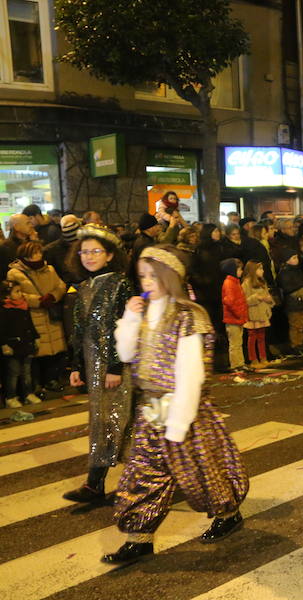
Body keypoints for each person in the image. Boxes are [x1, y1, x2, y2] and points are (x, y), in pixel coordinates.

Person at [104, 245, 248, 564]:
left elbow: (190, 375)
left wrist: (178, 425)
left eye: (153, 276)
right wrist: (129, 317)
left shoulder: (188, 316)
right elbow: (127, 354)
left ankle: (228, 513)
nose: (146, 282)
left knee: (203, 472)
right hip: (150, 410)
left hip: (184, 412)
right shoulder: (142, 311)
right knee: (142, 475)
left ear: (170, 277)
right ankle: (139, 538)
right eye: (142, 276)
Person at [64, 225, 133, 503]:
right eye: (84, 251)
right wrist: (75, 366)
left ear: (109, 255)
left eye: (96, 251)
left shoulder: (120, 284)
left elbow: (126, 327)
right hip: (92, 366)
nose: (89, 256)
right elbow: (78, 331)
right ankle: (95, 484)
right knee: (102, 422)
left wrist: (115, 367)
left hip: (115, 367)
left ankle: (100, 483)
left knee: (118, 421)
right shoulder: (82, 287)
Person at [7, 241, 67, 393]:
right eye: (35, 253)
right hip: (32, 316)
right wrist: (38, 301)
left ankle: (51, 379)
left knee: (54, 351)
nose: (38, 255)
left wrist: (53, 296)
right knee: (36, 353)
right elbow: (16, 294)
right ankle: (35, 385)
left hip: (50, 314)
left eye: (39, 252)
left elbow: (60, 286)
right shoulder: (14, 273)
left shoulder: (49, 269)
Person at [0, 280, 39, 408]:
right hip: (13, 345)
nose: (20, 294)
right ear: (7, 295)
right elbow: (2, 329)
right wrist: (4, 344)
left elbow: (29, 324)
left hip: (26, 344)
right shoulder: (4, 310)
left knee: (27, 371)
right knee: (13, 372)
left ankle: (28, 393)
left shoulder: (23, 306)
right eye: (17, 291)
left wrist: (35, 337)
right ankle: (10, 396)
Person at [241, 260, 273, 369]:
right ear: (253, 270)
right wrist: (257, 297)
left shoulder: (262, 282)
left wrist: (269, 300)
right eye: (260, 269)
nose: (262, 271)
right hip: (253, 315)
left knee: (261, 337)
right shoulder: (246, 283)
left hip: (262, 314)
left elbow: (267, 296)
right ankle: (253, 360)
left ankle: (263, 358)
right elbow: (244, 301)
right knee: (252, 338)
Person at [277, 253, 303, 354]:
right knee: (294, 324)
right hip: (292, 302)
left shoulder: (297, 270)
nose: (297, 260)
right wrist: (299, 288)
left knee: (301, 324)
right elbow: (286, 287)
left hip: (301, 301)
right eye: (294, 258)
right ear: (287, 260)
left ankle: (299, 344)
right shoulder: (284, 272)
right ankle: (294, 345)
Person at [220, 258, 249, 373]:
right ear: (233, 270)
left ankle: (240, 363)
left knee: (238, 342)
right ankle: (235, 365)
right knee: (235, 343)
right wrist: (239, 313)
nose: (241, 271)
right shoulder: (229, 283)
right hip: (233, 318)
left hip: (237, 318)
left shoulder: (235, 282)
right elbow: (230, 302)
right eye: (239, 269)